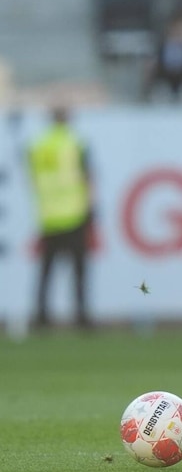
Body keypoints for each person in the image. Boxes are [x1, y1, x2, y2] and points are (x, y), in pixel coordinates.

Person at [28, 104, 95, 330]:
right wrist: (91, 209)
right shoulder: (75, 143)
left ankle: (40, 317)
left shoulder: (39, 145)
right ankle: (81, 317)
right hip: (74, 211)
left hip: (48, 214)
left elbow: (34, 178)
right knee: (79, 270)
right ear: (67, 119)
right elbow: (87, 176)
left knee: (46, 270)